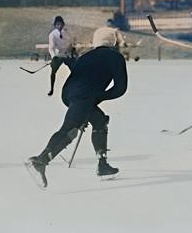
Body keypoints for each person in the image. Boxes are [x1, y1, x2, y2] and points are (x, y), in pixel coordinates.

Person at [25, 27, 128, 188]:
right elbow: (120, 88)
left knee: (100, 121)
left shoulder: (85, 56)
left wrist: (90, 101)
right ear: (113, 41)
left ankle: (103, 165)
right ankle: (41, 160)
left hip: (68, 95)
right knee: (70, 129)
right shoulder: (115, 57)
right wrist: (98, 98)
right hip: (84, 98)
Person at [47, 15, 77, 96]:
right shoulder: (52, 34)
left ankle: (76, 87)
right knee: (53, 71)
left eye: (60, 24)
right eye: (57, 24)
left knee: (75, 70)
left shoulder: (67, 32)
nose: (59, 26)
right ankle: (51, 88)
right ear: (55, 25)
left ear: (63, 24)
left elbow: (72, 41)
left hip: (67, 54)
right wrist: (53, 57)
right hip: (58, 55)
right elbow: (51, 47)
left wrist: (71, 49)